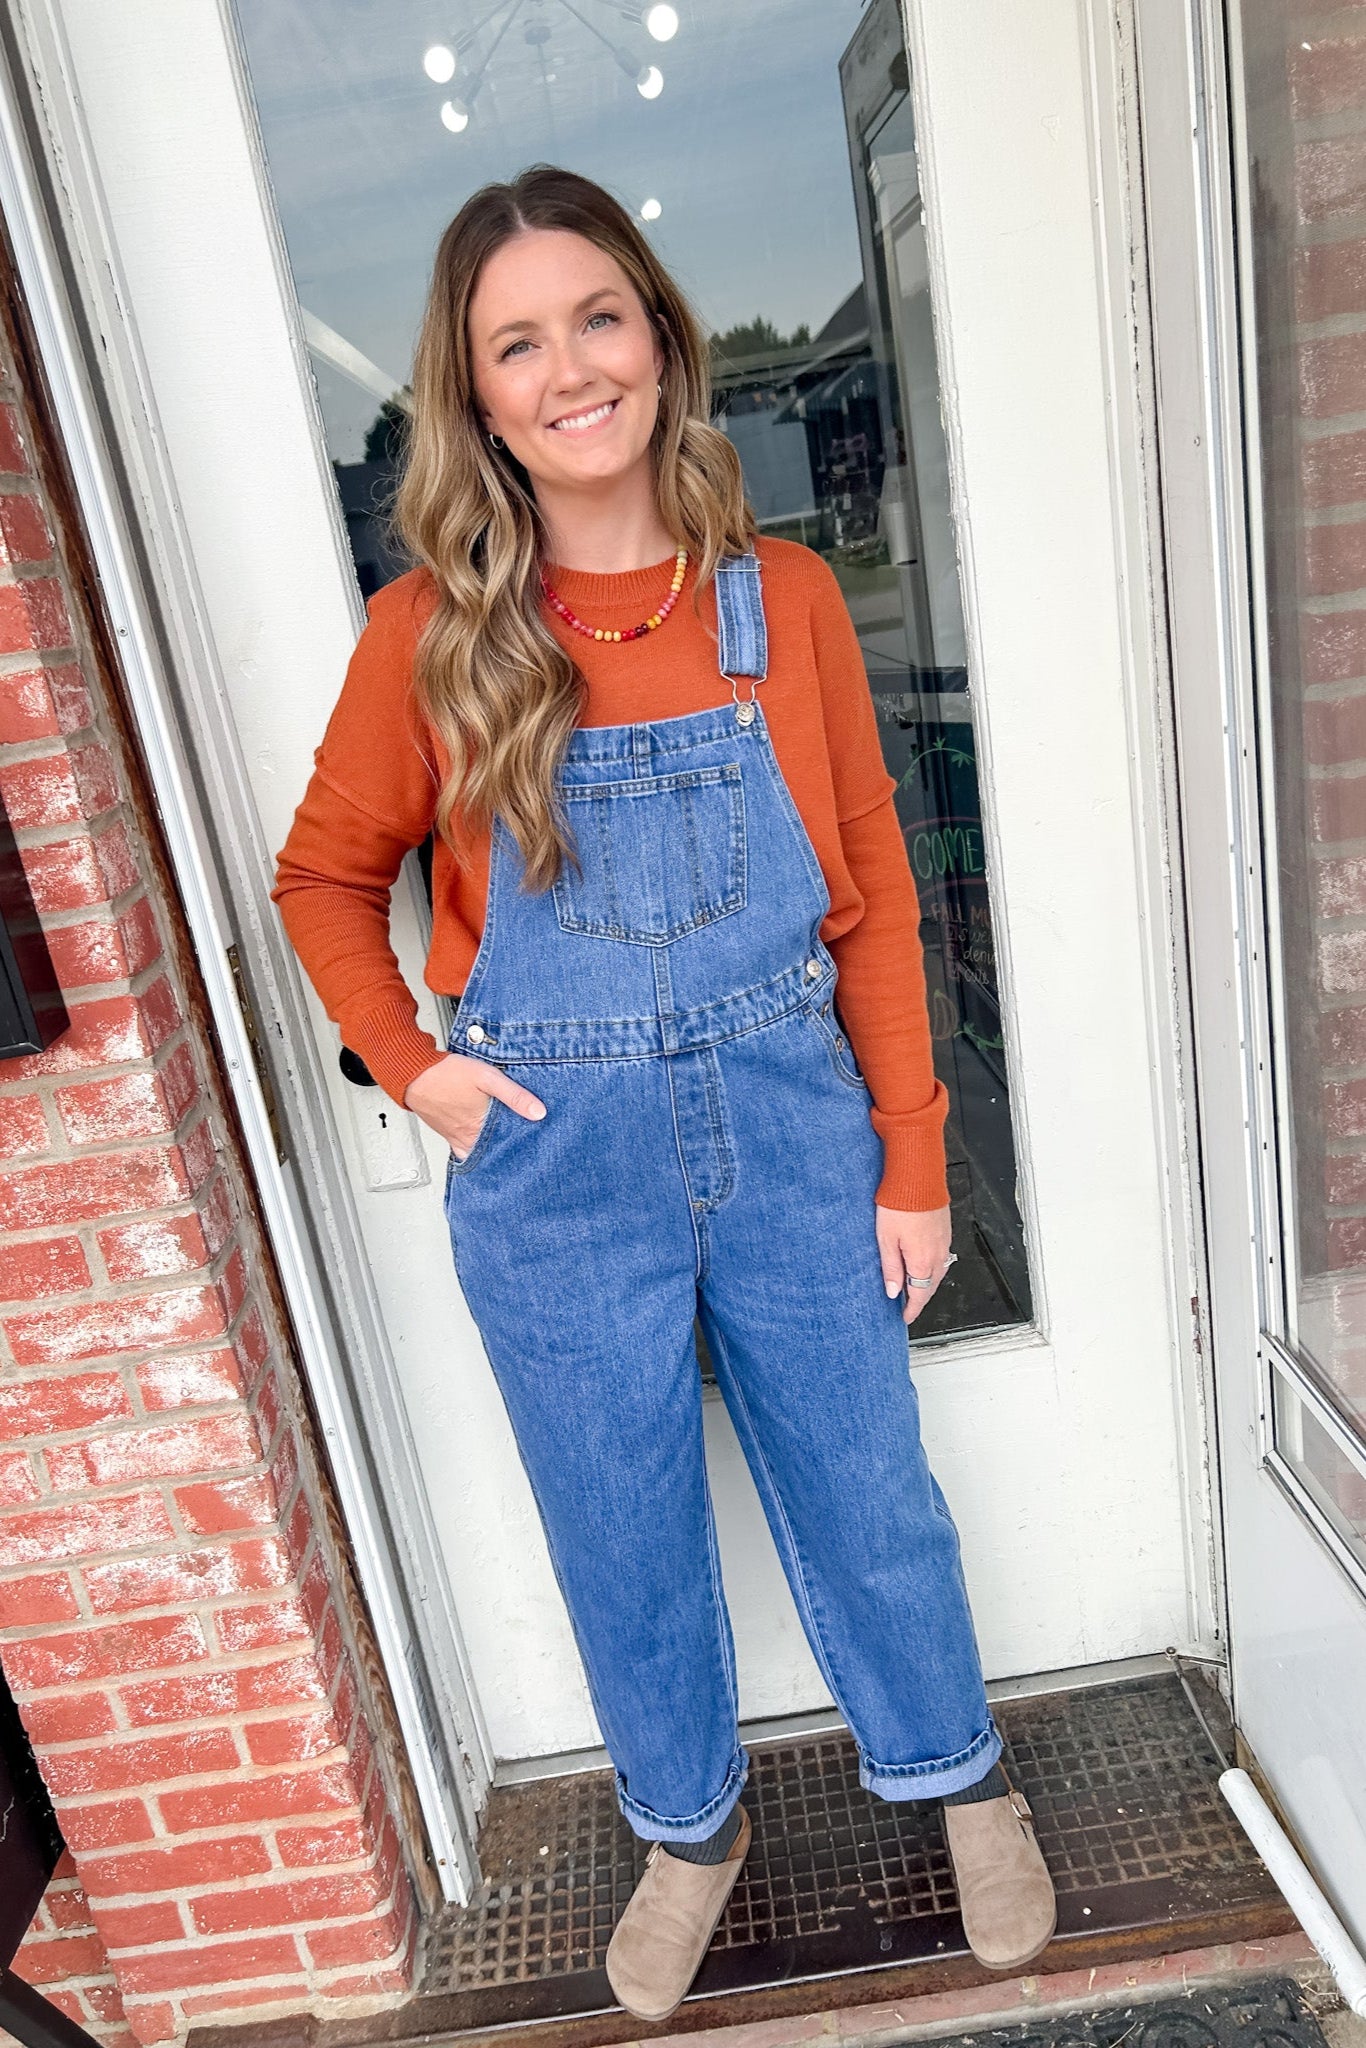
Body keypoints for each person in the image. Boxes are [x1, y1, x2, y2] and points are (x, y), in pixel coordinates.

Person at [272, 163, 1056, 2022]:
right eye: (514, 345)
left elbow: (864, 884)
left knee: (869, 1485)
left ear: (659, 336)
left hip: (789, 1128)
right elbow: (320, 880)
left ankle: (955, 1771)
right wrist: (423, 1073)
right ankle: (686, 1828)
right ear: (477, 401)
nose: (568, 369)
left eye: (595, 318)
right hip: (556, 1162)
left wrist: (915, 1155)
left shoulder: (775, 600)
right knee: (615, 1514)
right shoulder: (432, 639)